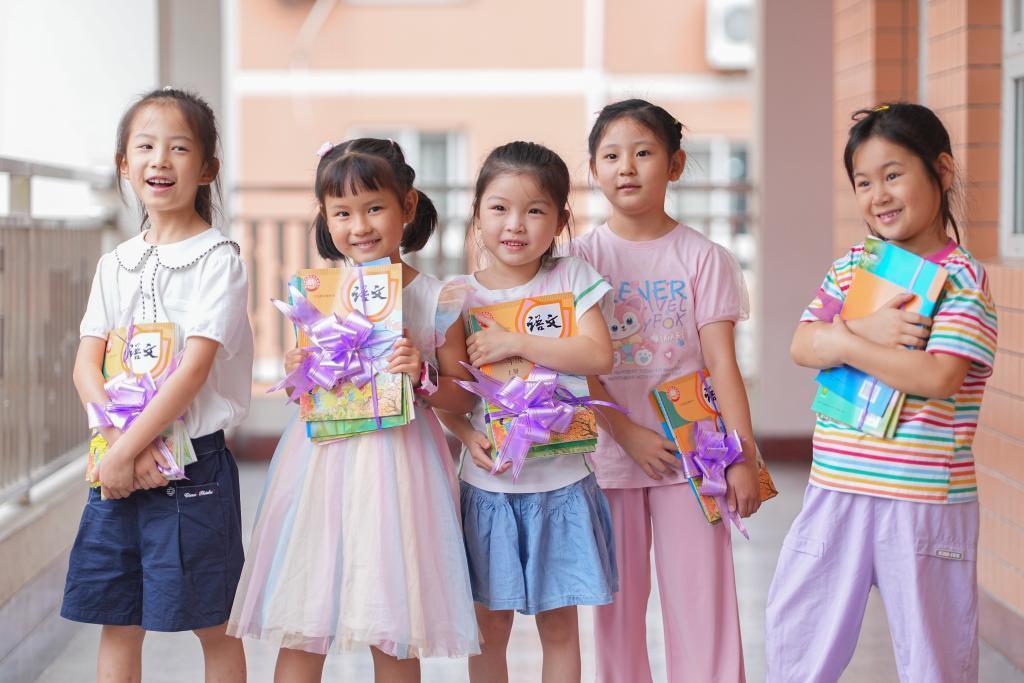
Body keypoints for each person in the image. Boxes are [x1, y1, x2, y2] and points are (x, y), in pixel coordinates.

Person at [227, 137, 480, 683]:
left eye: (374, 208)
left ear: (407, 206)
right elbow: (308, 393)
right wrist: (300, 370)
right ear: (325, 217)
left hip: (401, 468)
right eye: (342, 213)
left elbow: (465, 396)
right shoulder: (319, 295)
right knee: (305, 618)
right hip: (321, 465)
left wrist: (423, 376)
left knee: (394, 627)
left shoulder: (437, 297)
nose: (359, 226)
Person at [765, 103, 999, 682]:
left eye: (893, 175)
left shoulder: (962, 278)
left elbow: (939, 377)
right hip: (836, 487)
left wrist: (844, 340)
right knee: (798, 643)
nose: (878, 195)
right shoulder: (852, 268)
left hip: (923, 500)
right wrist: (861, 333)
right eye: (863, 182)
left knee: (934, 659)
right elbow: (802, 344)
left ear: (942, 171)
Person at [62, 87, 253, 682]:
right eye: (144, 147)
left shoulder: (219, 259)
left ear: (207, 168)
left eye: (179, 148)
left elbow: (193, 371)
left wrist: (126, 450)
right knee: (118, 621)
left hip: (193, 470)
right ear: (124, 164)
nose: (160, 160)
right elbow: (86, 364)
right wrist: (121, 447)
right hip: (117, 464)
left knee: (214, 623)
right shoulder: (114, 262)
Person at [573, 98, 759, 682]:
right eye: (611, 156)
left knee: (704, 610)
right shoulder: (578, 259)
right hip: (609, 458)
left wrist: (743, 457)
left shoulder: (704, 258)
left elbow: (723, 365)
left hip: (694, 459)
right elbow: (575, 367)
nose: (626, 167)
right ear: (593, 170)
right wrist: (624, 432)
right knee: (616, 617)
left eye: (643, 152)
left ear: (675, 165)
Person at [441, 140, 618, 683]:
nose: (515, 224)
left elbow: (598, 354)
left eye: (535, 210)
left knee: (559, 626)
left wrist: (515, 340)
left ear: (560, 220)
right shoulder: (457, 296)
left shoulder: (571, 276)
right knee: (488, 629)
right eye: (499, 208)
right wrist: (462, 432)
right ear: (477, 214)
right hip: (489, 487)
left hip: (562, 484)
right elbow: (453, 391)